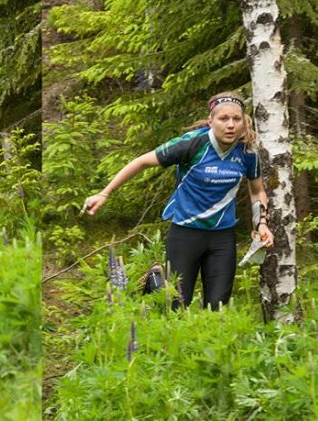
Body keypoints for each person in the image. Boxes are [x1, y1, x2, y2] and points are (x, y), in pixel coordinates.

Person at [83, 92, 273, 311]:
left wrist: (262, 224)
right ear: (211, 121)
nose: (230, 125)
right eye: (223, 119)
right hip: (185, 233)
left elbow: (257, 191)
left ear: (243, 122)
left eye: (236, 119)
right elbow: (142, 161)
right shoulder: (192, 144)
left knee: (217, 307)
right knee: (176, 304)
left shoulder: (247, 151)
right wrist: (105, 193)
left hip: (222, 236)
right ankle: (154, 279)